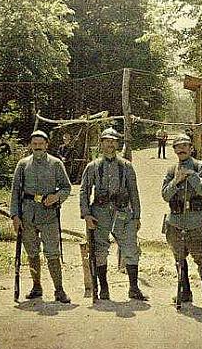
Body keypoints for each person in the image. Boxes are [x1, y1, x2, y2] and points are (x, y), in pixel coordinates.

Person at [79, 127, 147, 301]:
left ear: (117, 144)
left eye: (113, 141)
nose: (110, 144)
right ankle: (104, 287)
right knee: (100, 250)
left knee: (130, 249)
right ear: (101, 143)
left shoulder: (126, 166)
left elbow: (134, 192)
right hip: (99, 213)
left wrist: (137, 215)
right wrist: (86, 214)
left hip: (122, 213)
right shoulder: (92, 167)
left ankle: (133, 287)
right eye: (106, 141)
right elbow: (84, 191)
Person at [10, 130, 72, 303]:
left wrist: (56, 197)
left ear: (47, 145)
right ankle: (36, 287)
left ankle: (59, 290)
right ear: (30, 145)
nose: (37, 147)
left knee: (52, 253)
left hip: (48, 216)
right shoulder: (22, 165)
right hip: (27, 215)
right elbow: (15, 191)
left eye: (40, 144)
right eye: (34, 144)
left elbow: (66, 187)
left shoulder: (56, 164)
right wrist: (15, 215)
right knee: (32, 253)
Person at [161, 133, 202, 310]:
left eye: (185, 145)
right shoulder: (171, 170)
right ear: (175, 150)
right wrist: (177, 180)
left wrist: (190, 175)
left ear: (191, 148)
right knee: (179, 258)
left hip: (196, 223)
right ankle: (185, 292)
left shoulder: (201, 166)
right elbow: (165, 195)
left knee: (201, 258)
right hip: (175, 223)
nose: (182, 149)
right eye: (178, 146)